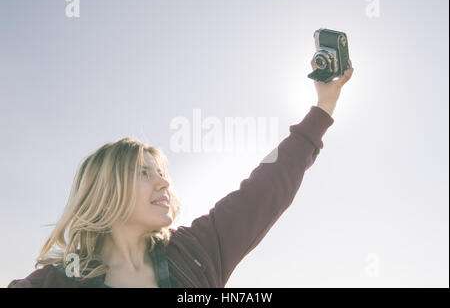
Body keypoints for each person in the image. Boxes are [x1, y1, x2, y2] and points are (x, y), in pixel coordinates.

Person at [7, 59, 354, 288]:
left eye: (160, 172)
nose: (163, 182)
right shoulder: (53, 283)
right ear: (106, 191)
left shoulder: (198, 252)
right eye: (143, 173)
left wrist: (323, 108)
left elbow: (265, 189)